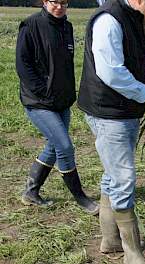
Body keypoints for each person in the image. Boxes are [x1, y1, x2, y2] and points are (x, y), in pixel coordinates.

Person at [77, 0, 145, 262]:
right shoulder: (109, 20)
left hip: (121, 111)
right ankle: (132, 253)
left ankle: (111, 240)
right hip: (109, 113)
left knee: (114, 174)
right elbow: (111, 73)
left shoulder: (134, 17)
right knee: (123, 179)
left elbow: (130, 64)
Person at [15, 0, 99, 215]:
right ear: (45, 2)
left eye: (64, 2)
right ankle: (80, 197)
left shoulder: (66, 27)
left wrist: (68, 92)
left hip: (62, 101)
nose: (60, 6)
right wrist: (42, 91)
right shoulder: (30, 25)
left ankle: (30, 193)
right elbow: (22, 64)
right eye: (55, 2)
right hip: (39, 102)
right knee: (64, 147)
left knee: (53, 147)